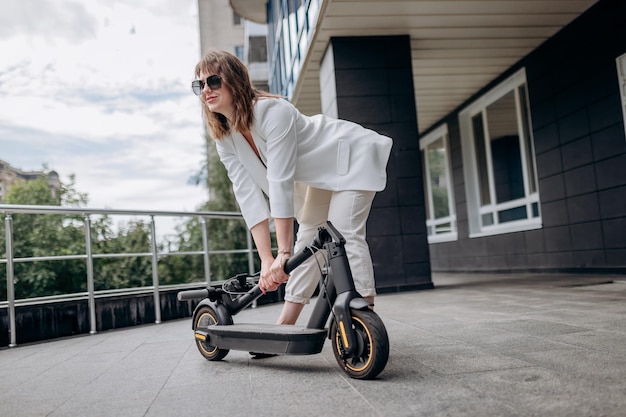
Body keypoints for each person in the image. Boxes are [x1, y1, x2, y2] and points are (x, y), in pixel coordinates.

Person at [192, 50, 392, 327]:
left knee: (343, 234)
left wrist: (282, 254)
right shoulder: (226, 138)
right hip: (322, 176)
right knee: (308, 241)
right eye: (199, 85)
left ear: (234, 80)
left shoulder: (272, 111)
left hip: (349, 157)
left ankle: (362, 318)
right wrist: (267, 260)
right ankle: (286, 323)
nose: (206, 90)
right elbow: (247, 195)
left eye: (213, 81)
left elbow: (280, 180)